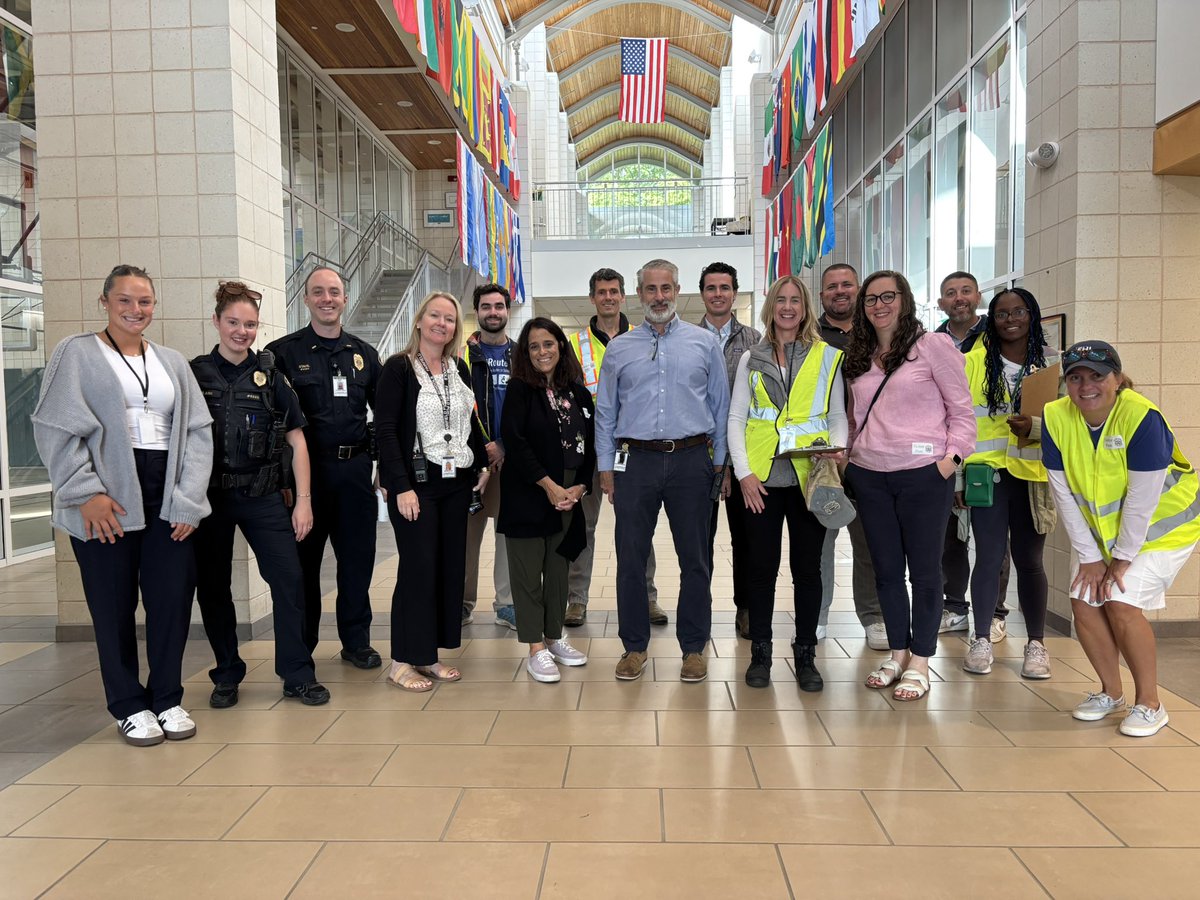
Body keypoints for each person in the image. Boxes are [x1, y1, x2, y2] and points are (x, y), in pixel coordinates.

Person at [32, 265, 213, 746]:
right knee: (112, 606)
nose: (136, 310)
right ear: (105, 302)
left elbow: (197, 432)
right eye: (126, 301)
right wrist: (82, 493)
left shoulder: (172, 362)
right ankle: (129, 705)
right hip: (106, 494)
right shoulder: (77, 353)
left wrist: (188, 499)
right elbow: (54, 426)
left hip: (166, 494)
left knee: (171, 600)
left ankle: (167, 698)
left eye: (145, 301)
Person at [1043, 341, 1199, 737]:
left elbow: (1142, 500)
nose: (1085, 386)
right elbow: (1062, 492)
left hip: (1165, 529)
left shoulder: (1142, 417)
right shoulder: (1055, 416)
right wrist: (1091, 557)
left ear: (1117, 379)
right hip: (1102, 535)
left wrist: (1122, 559)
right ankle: (1111, 692)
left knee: (1121, 600)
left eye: (1097, 376)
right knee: (1083, 599)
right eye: (1075, 377)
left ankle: (1151, 703)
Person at [190, 282, 330, 708]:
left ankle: (297, 673)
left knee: (289, 581)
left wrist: (303, 501)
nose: (242, 331)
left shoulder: (271, 377)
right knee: (213, 587)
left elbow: (298, 441)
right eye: (233, 322)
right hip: (209, 500)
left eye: (250, 324)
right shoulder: (194, 374)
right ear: (216, 322)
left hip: (263, 494)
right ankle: (227, 673)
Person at [595, 258, 730, 683]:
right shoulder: (619, 348)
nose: (659, 297)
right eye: (651, 289)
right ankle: (634, 647)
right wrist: (605, 467)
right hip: (635, 462)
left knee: (696, 559)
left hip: (693, 460)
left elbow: (721, 408)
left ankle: (693, 648)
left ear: (677, 290)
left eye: (666, 288)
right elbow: (606, 412)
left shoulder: (703, 343)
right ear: (639, 295)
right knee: (631, 558)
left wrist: (721, 463)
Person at [842, 270, 974, 702]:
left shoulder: (932, 346)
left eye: (887, 296)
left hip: (923, 476)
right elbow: (852, 417)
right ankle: (897, 652)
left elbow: (963, 413)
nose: (879, 305)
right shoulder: (858, 355)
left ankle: (921, 659)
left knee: (924, 572)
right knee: (885, 572)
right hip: (869, 475)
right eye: (870, 299)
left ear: (905, 300)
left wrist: (947, 463)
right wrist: (846, 459)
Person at [728, 275, 845, 689]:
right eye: (781, 299)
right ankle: (760, 652)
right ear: (771, 306)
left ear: (806, 307)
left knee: (807, 570)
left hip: (807, 480)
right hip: (760, 479)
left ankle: (806, 654)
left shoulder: (828, 357)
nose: (788, 307)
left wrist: (839, 448)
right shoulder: (751, 357)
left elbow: (836, 416)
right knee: (760, 569)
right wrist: (742, 473)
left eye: (796, 300)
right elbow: (737, 418)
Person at [266, 267, 383, 670]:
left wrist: (383, 467)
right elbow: (273, 425)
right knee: (303, 568)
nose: (327, 299)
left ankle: (356, 642)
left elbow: (384, 417)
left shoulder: (365, 355)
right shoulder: (281, 353)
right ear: (306, 298)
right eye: (319, 292)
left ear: (345, 298)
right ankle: (303, 648)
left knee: (357, 564)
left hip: (354, 475)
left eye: (334, 292)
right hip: (306, 480)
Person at [374, 292, 489, 691]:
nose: (443, 323)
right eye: (435, 316)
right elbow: (386, 431)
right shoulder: (398, 368)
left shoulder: (458, 368)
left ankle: (429, 655)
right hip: (416, 486)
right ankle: (401, 661)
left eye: (451, 319)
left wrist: (483, 466)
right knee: (417, 569)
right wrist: (399, 486)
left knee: (446, 570)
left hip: (456, 484)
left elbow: (468, 422)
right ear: (420, 320)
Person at [960, 288, 1059, 681]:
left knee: (1030, 561)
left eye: (1019, 311)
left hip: (1032, 477)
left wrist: (1035, 427)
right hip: (987, 475)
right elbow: (960, 420)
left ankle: (1036, 643)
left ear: (1032, 315)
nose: (1010, 319)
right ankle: (981, 638)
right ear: (992, 320)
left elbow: (1074, 424)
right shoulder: (971, 363)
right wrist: (959, 475)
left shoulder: (1053, 366)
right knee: (987, 556)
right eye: (1001, 314)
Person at [499, 318, 595, 682]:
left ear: (560, 346)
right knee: (527, 573)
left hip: (570, 493)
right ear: (526, 353)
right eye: (534, 346)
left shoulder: (578, 392)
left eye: (549, 344)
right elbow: (515, 439)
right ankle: (535, 647)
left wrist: (580, 487)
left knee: (558, 569)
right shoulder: (520, 389)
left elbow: (590, 446)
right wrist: (549, 486)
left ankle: (554, 637)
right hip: (530, 491)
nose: (542, 352)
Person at [565, 267, 659, 627]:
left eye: (614, 291)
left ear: (624, 296)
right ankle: (577, 601)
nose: (608, 297)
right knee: (582, 528)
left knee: (638, 527)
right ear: (592, 297)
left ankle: (647, 597)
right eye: (601, 292)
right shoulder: (573, 344)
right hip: (586, 450)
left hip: (633, 450)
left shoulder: (644, 338)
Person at [936, 271, 1013, 639]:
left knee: (993, 544)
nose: (958, 298)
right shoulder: (930, 343)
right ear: (941, 303)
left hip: (992, 461)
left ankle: (994, 612)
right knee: (949, 537)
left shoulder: (1000, 342)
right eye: (950, 293)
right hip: (947, 458)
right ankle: (954, 607)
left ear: (978, 296)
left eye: (965, 291)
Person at [817, 263, 884, 649]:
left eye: (847, 285)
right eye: (831, 287)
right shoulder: (811, 337)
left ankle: (873, 617)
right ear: (822, 295)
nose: (839, 291)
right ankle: (818, 614)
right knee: (821, 543)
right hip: (823, 457)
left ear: (858, 290)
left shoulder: (878, 334)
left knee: (869, 542)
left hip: (869, 455)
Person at [698, 261, 761, 641]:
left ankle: (746, 608)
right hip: (698, 456)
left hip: (743, 458)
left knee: (747, 539)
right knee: (698, 540)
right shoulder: (686, 339)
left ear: (734, 292)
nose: (718, 293)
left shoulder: (757, 341)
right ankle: (699, 609)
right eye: (711, 287)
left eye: (725, 287)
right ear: (702, 293)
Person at [462, 282, 516, 628]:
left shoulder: (521, 354)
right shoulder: (463, 355)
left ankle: (507, 603)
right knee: (465, 534)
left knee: (508, 535)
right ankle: (461, 602)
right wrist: (483, 447)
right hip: (471, 462)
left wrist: (505, 444)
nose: (493, 312)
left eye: (499, 306)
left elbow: (530, 409)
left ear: (507, 311)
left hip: (513, 460)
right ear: (477, 312)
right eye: (486, 307)